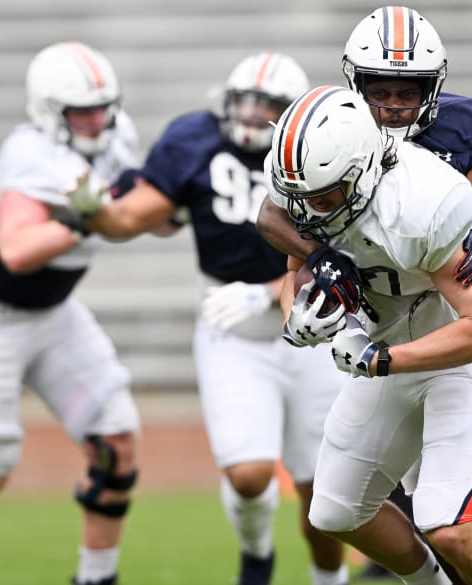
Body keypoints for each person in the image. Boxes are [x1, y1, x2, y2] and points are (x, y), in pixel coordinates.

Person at [257, 7, 472, 585]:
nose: (392, 105)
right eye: (379, 91)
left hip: (459, 334)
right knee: (335, 510)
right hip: (391, 327)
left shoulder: (425, 201)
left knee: (448, 522)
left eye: (406, 92)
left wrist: (380, 359)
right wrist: (301, 313)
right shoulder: (320, 157)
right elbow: (283, 227)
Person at [68, 52, 349, 585]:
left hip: (314, 326)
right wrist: (93, 209)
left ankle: (328, 579)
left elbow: (347, 254)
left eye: (267, 107)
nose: (250, 115)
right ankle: (256, 553)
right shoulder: (194, 141)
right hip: (232, 328)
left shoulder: (327, 152)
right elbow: (131, 217)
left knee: (324, 491)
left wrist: (271, 291)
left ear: (292, 117)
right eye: (245, 103)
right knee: (247, 475)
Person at [0, 41, 141, 585]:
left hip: (54, 311)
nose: (96, 120)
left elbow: (142, 211)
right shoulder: (30, 154)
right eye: (82, 111)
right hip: (2, 312)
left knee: (116, 438)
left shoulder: (115, 136)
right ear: (48, 110)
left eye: (102, 107)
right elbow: (13, 249)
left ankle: (96, 578)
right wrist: (82, 220)